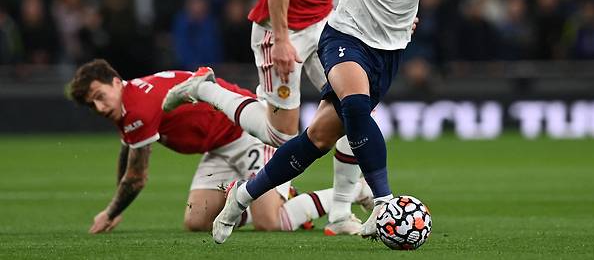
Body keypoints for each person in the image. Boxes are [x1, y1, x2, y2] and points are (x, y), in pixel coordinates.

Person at [175, 0, 520, 245]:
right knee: (356, 106)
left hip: (389, 52)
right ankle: (383, 203)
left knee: (316, 140)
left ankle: (242, 197)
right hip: (344, 36)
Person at [163, 0, 391, 235]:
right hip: (278, 28)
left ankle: (339, 214)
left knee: (355, 110)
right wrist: (283, 40)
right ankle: (204, 88)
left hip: (323, 26)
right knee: (281, 134)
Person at [67, 59, 372, 234]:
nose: (98, 106)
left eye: (99, 95)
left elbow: (136, 177)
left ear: (116, 81)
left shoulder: (137, 108)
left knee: (271, 222)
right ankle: (276, 198)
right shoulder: (128, 103)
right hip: (219, 146)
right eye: (90, 104)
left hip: (246, 132)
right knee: (197, 220)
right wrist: (115, 201)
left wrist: (110, 213)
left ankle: (355, 191)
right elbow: (128, 149)